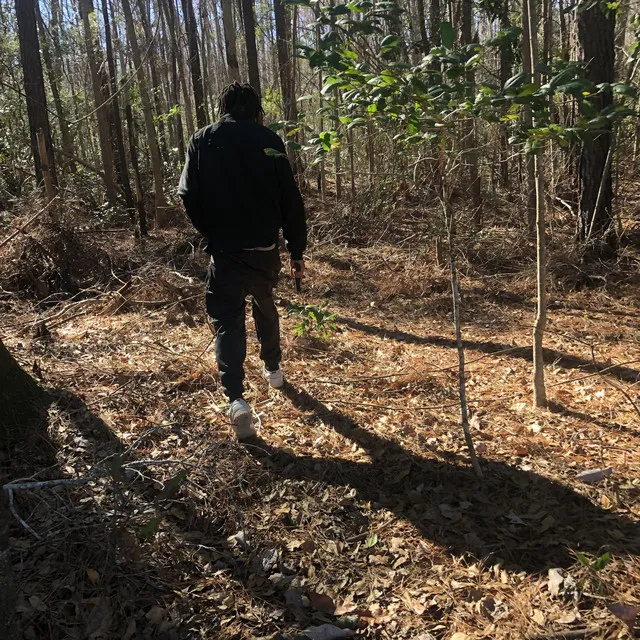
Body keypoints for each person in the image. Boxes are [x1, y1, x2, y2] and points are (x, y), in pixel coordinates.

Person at [178, 82, 307, 440]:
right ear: (256, 109)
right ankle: (274, 369)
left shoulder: (202, 139)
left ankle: (236, 400)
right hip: (265, 251)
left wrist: (210, 230)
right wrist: (297, 251)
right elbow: (291, 201)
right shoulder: (269, 141)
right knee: (265, 304)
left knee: (227, 321)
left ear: (224, 107)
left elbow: (187, 193)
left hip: (225, 251)